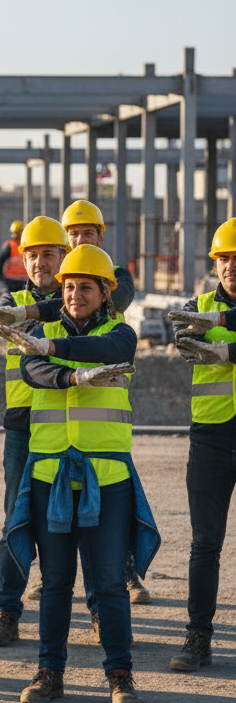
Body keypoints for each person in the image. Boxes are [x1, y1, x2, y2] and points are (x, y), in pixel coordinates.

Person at [0, 243, 158, 703]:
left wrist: (55, 349)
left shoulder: (121, 334)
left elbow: (102, 349)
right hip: (50, 475)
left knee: (108, 582)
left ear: (106, 292)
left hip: (107, 478)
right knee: (55, 584)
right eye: (69, 287)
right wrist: (71, 376)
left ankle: (120, 674)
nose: (74, 294)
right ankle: (49, 673)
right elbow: (33, 371)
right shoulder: (38, 333)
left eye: (85, 287)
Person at [0, 216, 70, 647]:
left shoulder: (77, 299)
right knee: (16, 518)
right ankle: (7, 610)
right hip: (22, 425)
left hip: (66, 426)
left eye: (48, 254)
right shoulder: (9, 302)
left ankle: (79, 609)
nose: (38, 263)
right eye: (31, 255)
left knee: (67, 523)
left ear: (63, 256)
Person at [166, 217, 236, 672]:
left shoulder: (210, 313)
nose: (230, 266)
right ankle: (198, 637)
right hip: (212, 438)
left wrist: (225, 345)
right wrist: (210, 329)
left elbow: (207, 338)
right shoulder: (198, 305)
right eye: (224, 258)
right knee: (205, 544)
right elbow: (182, 335)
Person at [0, 220, 28, 292]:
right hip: (11, 281)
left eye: (18, 233)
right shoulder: (9, 246)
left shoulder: (27, 246)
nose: (16, 236)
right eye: (15, 233)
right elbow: (0, 261)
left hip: (24, 280)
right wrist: (1, 277)